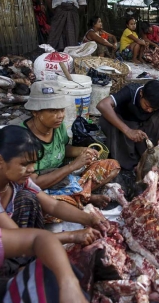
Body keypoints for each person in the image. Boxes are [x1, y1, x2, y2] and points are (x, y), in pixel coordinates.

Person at [0, 125, 109, 244]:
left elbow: (53, 205)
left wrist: (90, 219)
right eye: (24, 164)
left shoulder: (14, 180)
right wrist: (71, 236)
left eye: (33, 164)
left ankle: (27, 255)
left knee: (28, 198)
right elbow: (16, 238)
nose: (31, 170)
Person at [22, 81, 118, 211]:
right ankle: (85, 197)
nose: (61, 115)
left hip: (63, 179)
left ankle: (77, 197)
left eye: (62, 110)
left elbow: (63, 148)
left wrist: (83, 151)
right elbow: (33, 184)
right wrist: (72, 166)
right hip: (41, 188)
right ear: (35, 112)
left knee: (112, 166)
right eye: (53, 111)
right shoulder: (23, 139)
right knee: (43, 207)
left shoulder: (57, 125)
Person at [97, 81, 159, 170]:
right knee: (106, 118)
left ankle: (150, 156)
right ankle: (128, 160)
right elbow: (102, 105)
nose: (149, 110)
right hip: (125, 127)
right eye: (147, 105)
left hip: (145, 128)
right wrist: (128, 130)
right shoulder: (131, 91)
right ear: (141, 93)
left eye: (154, 108)